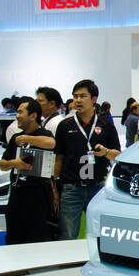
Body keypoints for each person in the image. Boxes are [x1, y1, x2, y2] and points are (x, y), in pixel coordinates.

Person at [53, 79, 121, 240]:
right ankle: (67, 264)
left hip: (98, 186)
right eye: (75, 96)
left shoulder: (106, 125)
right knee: (68, 234)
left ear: (94, 99)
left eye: (83, 96)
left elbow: (117, 154)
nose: (78, 100)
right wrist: (55, 185)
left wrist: (105, 152)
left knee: (101, 234)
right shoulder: (65, 125)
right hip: (71, 188)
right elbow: (59, 157)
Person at [0, 99, 55, 245]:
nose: (17, 116)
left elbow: (51, 143)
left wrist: (26, 138)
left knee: (37, 238)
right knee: (14, 237)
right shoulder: (15, 138)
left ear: (33, 115)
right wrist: (14, 163)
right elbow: (2, 164)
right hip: (17, 193)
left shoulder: (44, 134)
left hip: (38, 196)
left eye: (20, 112)